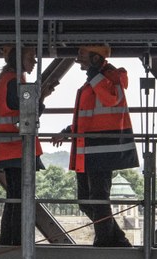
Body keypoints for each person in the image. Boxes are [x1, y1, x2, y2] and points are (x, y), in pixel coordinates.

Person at [51, 44, 139, 247]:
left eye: (82, 55)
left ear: (96, 58)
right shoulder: (96, 80)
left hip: (102, 149)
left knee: (98, 199)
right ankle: (117, 238)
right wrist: (67, 132)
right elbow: (89, 116)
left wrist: (94, 74)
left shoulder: (111, 77)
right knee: (85, 201)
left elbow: (110, 99)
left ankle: (105, 241)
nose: (77, 59)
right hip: (88, 148)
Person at [0, 46, 47, 245]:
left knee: (15, 196)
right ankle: (16, 240)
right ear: (19, 59)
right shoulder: (14, 81)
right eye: (31, 57)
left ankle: (10, 239)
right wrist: (41, 99)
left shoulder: (9, 79)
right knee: (19, 196)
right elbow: (27, 112)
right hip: (16, 146)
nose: (34, 62)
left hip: (9, 147)